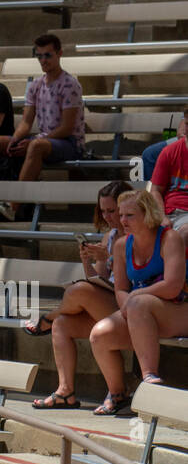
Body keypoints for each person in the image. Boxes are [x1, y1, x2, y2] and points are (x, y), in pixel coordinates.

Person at [27, 180, 133, 409]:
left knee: (79, 291)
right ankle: (65, 392)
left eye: (112, 211)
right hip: (109, 300)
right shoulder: (111, 235)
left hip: (131, 305)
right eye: (103, 211)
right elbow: (99, 279)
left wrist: (112, 256)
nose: (107, 216)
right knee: (63, 324)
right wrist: (89, 260)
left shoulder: (138, 234)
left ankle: (47, 317)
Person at [89, 190, 188, 415]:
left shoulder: (169, 238)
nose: (122, 220)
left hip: (179, 308)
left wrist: (134, 298)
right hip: (141, 311)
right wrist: (128, 303)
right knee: (99, 335)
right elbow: (121, 289)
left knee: (138, 304)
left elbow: (173, 285)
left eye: (130, 215)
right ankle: (117, 395)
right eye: (121, 215)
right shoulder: (122, 245)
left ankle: (149, 379)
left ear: (148, 215)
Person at [0, 34, 84, 218]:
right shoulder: (35, 84)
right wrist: (15, 140)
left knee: (36, 145)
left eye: (48, 55)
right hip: (46, 140)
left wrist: (36, 140)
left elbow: (67, 128)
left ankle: (12, 206)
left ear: (59, 54)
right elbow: (26, 122)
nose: (43, 60)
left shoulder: (70, 84)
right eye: (40, 56)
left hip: (69, 143)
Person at [150, 114, 188, 237]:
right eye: (187, 124)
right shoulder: (169, 152)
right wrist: (161, 217)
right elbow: (155, 190)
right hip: (174, 212)